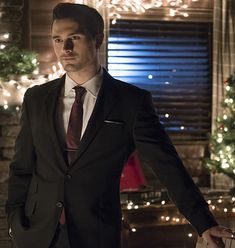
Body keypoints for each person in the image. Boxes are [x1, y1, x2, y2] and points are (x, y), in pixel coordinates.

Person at [5, 2, 234, 248]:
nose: (65, 48)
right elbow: (22, 168)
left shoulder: (130, 102)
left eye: (74, 37)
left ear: (98, 39)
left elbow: (168, 166)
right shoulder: (36, 98)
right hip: (35, 235)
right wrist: (14, 223)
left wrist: (204, 223)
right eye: (58, 40)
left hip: (96, 235)